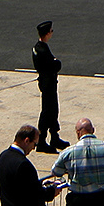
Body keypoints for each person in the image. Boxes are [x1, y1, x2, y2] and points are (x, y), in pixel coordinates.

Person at [33, 21, 68, 153]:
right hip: (48, 84)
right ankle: (42, 141)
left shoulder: (39, 47)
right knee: (47, 111)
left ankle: (54, 137)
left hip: (47, 82)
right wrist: (56, 62)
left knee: (53, 110)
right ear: (47, 33)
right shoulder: (42, 49)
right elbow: (55, 65)